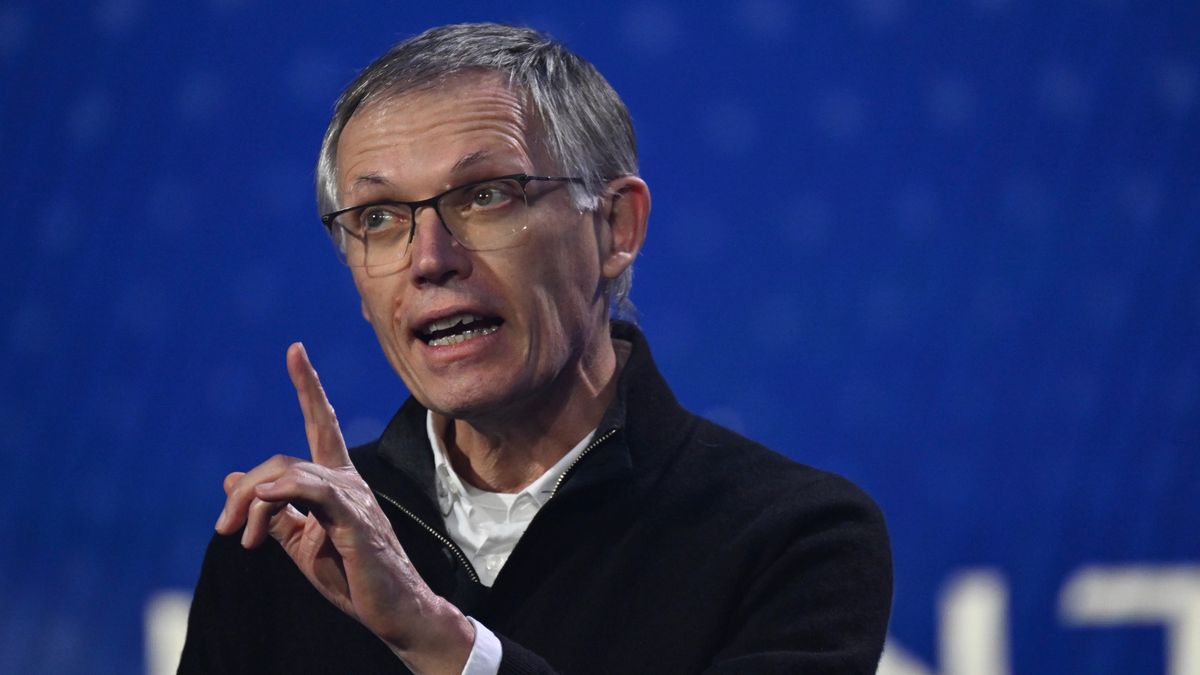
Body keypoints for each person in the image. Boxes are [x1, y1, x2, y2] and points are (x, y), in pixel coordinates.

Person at [179, 22, 891, 675]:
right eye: (380, 217)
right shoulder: (283, 548)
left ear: (616, 225)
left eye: (487, 195)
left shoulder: (793, 540)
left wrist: (439, 640)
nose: (430, 257)